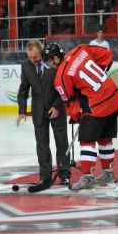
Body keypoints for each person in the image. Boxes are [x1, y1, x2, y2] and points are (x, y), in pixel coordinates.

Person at [42, 43, 118, 193]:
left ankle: (87, 178)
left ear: (55, 58)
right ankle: (108, 174)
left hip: (96, 105)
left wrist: (77, 116)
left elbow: (69, 102)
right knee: (105, 139)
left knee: (87, 141)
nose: (49, 66)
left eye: (48, 62)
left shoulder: (60, 76)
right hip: (113, 95)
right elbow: (107, 53)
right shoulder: (80, 50)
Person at [16, 39, 71, 185]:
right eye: (30, 57)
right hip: (38, 111)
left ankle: (64, 174)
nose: (33, 60)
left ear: (41, 52)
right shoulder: (26, 66)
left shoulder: (53, 62)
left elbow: (64, 86)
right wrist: (22, 110)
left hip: (56, 109)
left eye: (36, 57)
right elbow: (23, 90)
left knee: (62, 142)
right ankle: (45, 176)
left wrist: (58, 106)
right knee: (42, 145)